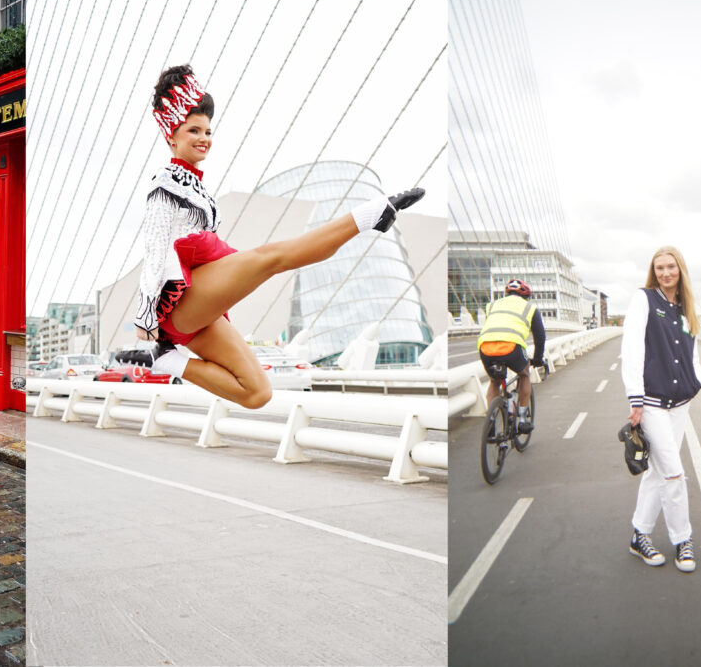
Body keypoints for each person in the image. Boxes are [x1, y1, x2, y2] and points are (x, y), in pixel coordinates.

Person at [127, 64, 423, 409]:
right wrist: (146, 320)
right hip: (179, 302)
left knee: (258, 393)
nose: (204, 138)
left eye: (208, 131)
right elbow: (156, 249)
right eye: (194, 130)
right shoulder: (164, 185)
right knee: (272, 257)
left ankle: (165, 361)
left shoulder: (198, 188)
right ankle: (370, 215)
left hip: (199, 310)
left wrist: (173, 357)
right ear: (171, 136)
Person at [622, 246, 701, 573]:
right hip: (653, 403)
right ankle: (682, 539)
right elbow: (631, 349)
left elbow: (693, 353)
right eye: (660, 268)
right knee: (673, 472)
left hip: (680, 404)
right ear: (654, 272)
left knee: (658, 473)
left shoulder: (687, 309)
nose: (665, 272)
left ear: (680, 269)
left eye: (671, 267)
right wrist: (636, 398)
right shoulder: (644, 300)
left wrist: (696, 381)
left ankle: (639, 535)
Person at [475, 280, 548, 432]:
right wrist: (538, 359)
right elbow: (540, 336)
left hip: (485, 347)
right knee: (524, 375)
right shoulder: (529, 307)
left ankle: (491, 422)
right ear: (526, 296)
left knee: (494, 381)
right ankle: (522, 419)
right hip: (511, 346)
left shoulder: (492, 305)